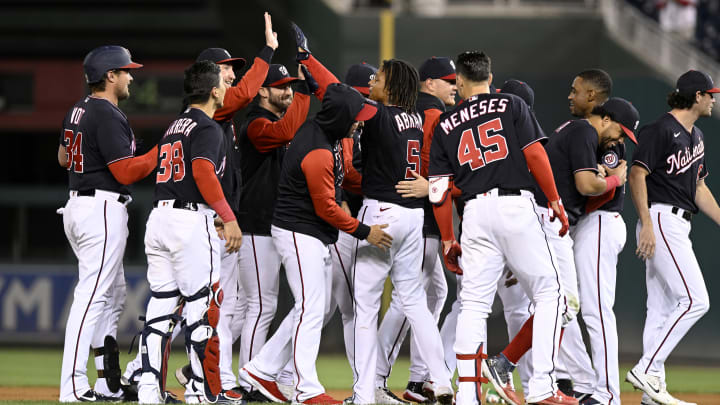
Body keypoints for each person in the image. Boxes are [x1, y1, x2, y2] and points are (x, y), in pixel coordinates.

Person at [289, 22, 455, 405]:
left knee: (364, 310)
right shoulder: (414, 120)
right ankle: (443, 381)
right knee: (414, 301)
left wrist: (307, 58)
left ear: (392, 87)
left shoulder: (380, 116)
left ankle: (364, 394)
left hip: (382, 214)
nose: (374, 81)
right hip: (415, 218)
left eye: (380, 77)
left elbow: (337, 92)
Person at [428, 50, 571, 405]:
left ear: (459, 80)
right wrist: (554, 199)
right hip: (515, 205)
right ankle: (541, 387)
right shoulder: (511, 105)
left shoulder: (445, 123)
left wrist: (448, 238)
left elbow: (439, 191)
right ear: (490, 78)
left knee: (473, 304)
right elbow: (536, 154)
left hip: (474, 214)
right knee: (552, 293)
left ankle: (465, 395)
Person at [241, 83, 391, 405]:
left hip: (312, 232)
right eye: (355, 116)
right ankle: (305, 390)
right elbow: (326, 207)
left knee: (316, 307)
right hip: (297, 232)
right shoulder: (317, 150)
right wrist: (365, 231)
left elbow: (347, 176)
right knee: (311, 308)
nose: (359, 122)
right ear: (339, 117)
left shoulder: (334, 137)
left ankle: (260, 369)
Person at [136, 60, 243, 404]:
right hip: (190, 221)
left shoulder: (175, 126)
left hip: (159, 219)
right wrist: (228, 216)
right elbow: (203, 173)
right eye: (223, 85)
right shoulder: (208, 127)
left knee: (159, 312)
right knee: (203, 309)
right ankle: (202, 392)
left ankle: (149, 392)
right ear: (214, 90)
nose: (227, 88)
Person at [58, 45, 153, 403]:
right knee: (93, 297)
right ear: (110, 76)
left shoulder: (78, 109)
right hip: (99, 209)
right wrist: (162, 153)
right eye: (126, 71)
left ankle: (106, 382)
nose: (131, 76)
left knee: (112, 296)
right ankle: (72, 383)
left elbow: (64, 155)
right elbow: (125, 171)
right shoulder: (106, 113)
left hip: (80, 205)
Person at [627, 69, 719, 405]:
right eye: (710, 94)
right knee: (696, 301)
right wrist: (646, 223)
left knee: (661, 307)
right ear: (697, 96)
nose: (713, 99)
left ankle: (653, 391)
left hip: (677, 222)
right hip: (662, 219)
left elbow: (698, 188)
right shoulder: (661, 129)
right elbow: (637, 173)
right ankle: (646, 368)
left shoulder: (696, 136)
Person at [375, 56, 457, 403]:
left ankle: (419, 379)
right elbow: (433, 166)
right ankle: (376, 376)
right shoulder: (433, 114)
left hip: (399, 211)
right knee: (408, 299)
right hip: (420, 216)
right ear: (428, 83)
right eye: (447, 79)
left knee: (435, 291)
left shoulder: (404, 112)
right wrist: (434, 188)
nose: (454, 85)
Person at [234, 61, 315, 393]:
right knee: (260, 305)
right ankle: (249, 381)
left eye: (291, 85)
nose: (288, 90)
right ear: (262, 90)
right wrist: (307, 94)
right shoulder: (255, 123)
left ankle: (236, 373)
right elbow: (284, 133)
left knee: (250, 306)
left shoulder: (274, 122)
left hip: (270, 225)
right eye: (282, 85)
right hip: (254, 225)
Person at [565, 69, 626, 405]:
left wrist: (610, 178)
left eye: (576, 90)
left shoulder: (606, 142)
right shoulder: (586, 134)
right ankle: (589, 384)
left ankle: (606, 394)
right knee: (563, 306)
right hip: (586, 225)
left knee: (596, 311)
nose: (619, 139)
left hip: (601, 223)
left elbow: (596, 191)